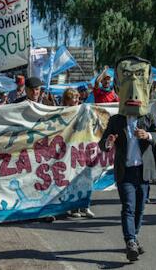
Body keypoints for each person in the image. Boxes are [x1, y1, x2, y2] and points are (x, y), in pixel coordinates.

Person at [99, 56, 156, 262]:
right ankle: (130, 241)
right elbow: (102, 144)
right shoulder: (116, 120)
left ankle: (134, 238)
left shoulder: (148, 118)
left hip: (143, 171)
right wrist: (109, 142)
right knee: (128, 207)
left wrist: (149, 136)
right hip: (125, 171)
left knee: (140, 209)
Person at [62, 88, 95, 218]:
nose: (75, 101)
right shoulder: (62, 113)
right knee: (70, 179)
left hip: (83, 147)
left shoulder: (83, 110)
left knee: (86, 178)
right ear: (66, 100)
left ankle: (85, 205)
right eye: (72, 98)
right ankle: (73, 207)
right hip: (68, 150)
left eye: (76, 98)